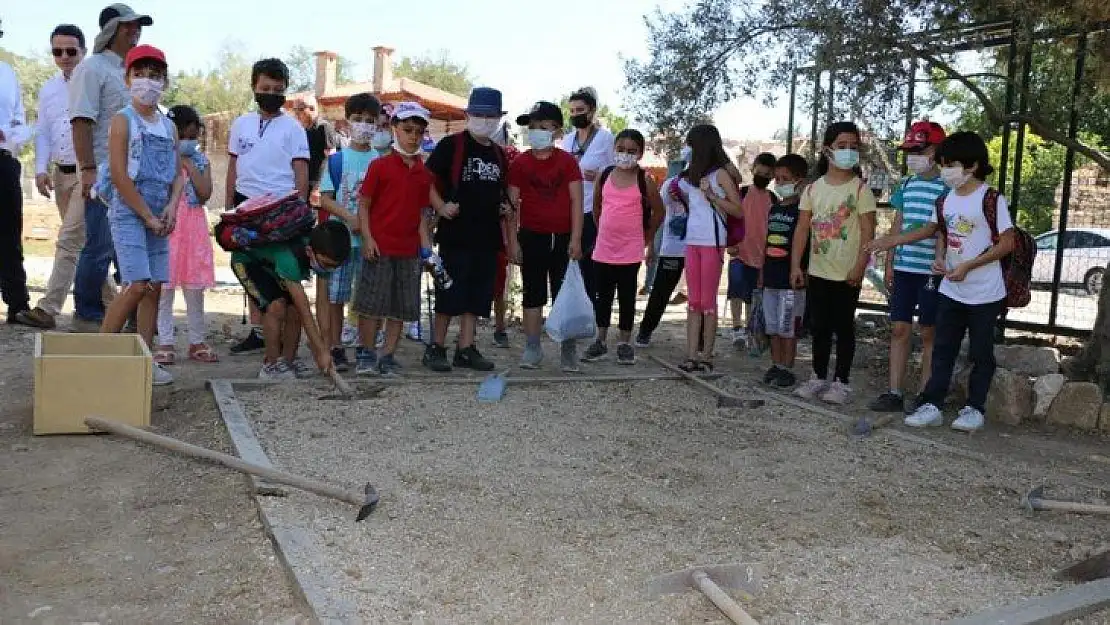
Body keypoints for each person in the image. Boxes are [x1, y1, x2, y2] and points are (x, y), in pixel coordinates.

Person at [867, 132, 1015, 433]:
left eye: (951, 164)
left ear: (972, 166)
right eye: (944, 163)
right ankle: (931, 403)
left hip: (985, 292)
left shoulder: (992, 199)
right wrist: (925, 254)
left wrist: (969, 266)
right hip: (952, 288)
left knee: (980, 353)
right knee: (943, 348)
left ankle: (975, 408)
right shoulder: (944, 199)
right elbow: (936, 232)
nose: (945, 170)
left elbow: (1006, 243)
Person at [97, 44, 181, 387]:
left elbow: (177, 174)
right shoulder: (123, 120)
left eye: (155, 75)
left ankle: (144, 360)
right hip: (131, 211)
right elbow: (119, 175)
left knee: (156, 287)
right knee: (136, 284)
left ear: (164, 80)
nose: (148, 82)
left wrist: (171, 208)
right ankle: (99, 357)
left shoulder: (168, 125)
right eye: (141, 74)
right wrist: (146, 215)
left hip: (160, 213)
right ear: (128, 78)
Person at [71, 3, 151, 333]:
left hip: (137, 177)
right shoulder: (93, 69)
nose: (135, 31)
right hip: (104, 175)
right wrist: (88, 169)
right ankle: (88, 313)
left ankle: (134, 316)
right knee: (100, 245)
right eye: (127, 26)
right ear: (110, 30)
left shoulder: (136, 72)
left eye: (138, 27)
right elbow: (80, 121)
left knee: (131, 247)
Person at [225, 58, 311, 369]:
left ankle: (290, 359)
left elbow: (301, 171)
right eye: (265, 88)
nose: (271, 93)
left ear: (286, 91)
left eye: (277, 89)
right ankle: (270, 359)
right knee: (268, 294)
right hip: (246, 214)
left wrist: (299, 213)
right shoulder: (240, 125)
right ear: (254, 87)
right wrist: (228, 211)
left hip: (283, 216)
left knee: (291, 295)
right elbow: (233, 168)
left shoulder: (294, 129)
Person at [18, 25, 104, 329]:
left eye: (71, 50)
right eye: (58, 51)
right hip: (60, 173)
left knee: (69, 239)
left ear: (83, 51)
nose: (64, 56)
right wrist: (41, 169)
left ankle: (48, 308)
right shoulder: (48, 89)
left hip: (87, 171)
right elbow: (43, 131)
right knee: (83, 245)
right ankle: (114, 302)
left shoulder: (94, 82)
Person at [790, 121, 877, 405]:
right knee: (819, 326)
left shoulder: (860, 190)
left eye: (854, 146)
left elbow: (868, 231)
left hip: (846, 273)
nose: (848, 151)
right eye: (842, 146)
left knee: (844, 327)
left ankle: (841, 381)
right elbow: (802, 229)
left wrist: (860, 265)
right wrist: (795, 266)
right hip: (818, 270)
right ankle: (817, 376)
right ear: (828, 150)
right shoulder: (812, 189)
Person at [422, 87, 509, 373]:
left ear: (498, 118)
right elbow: (428, 181)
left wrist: (504, 207)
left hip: (486, 235)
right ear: (468, 115)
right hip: (456, 234)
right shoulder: (452, 145)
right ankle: (436, 347)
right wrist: (441, 206)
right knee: (449, 292)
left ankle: (466, 347)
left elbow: (500, 190)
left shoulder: (499, 153)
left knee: (477, 295)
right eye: (478, 114)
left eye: (490, 115)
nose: (484, 120)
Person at [868, 121, 948, 413]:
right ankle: (894, 391)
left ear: (936, 151)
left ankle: (926, 393)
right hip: (904, 268)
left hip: (930, 270)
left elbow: (936, 229)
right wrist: (890, 262)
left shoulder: (947, 187)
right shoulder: (907, 184)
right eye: (909, 150)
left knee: (928, 331)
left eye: (920, 150)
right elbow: (897, 222)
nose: (913, 156)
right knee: (899, 328)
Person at [352, 102, 436, 377]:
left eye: (419, 132)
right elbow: (364, 204)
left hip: (408, 249)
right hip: (380, 245)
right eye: (408, 129)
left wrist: (426, 248)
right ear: (394, 129)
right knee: (371, 304)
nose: (413, 136)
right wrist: (367, 238)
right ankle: (365, 351)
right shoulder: (380, 166)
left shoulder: (424, 174)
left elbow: (422, 213)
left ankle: (387, 354)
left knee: (401, 305)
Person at [509, 101, 584, 372]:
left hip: (563, 236)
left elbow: (577, 200)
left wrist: (576, 238)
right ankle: (532, 347)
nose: (536, 132)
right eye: (532, 128)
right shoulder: (520, 163)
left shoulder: (567, 162)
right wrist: (512, 240)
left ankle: (568, 349)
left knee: (565, 294)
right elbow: (511, 205)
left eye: (542, 127)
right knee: (532, 293)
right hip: (532, 235)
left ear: (556, 130)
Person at [581, 129, 663, 365]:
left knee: (627, 297)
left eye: (631, 151)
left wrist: (647, 237)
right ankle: (601, 340)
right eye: (621, 150)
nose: (625, 155)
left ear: (640, 153)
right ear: (613, 149)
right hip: (604, 248)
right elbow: (597, 207)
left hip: (630, 251)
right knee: (602, 295)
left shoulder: (644, 180)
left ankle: (625, 343)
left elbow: (659, 211)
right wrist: (603, 229)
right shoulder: (604, 175)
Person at [230, 221, 346, 379]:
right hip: (248, 262)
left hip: (272, 264)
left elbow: (322, 305)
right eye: (326, 264)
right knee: (276, 306)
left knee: (294, 311)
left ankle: (286, 363)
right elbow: (306, 311)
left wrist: (325, 349)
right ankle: (270, 365)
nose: (328, 269)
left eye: (333, 266)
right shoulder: (290, 258)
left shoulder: (323, 256)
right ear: (310, 251)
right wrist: (319, 352)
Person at [318, 92, 383, 373]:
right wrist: (349, 217)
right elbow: (325, 197)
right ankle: (335, 346)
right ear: (347, 121)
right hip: (340, 242)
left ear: (378, 124)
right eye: (358, 119)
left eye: (370, 121)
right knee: (336, 297)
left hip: (369, 242)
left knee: (366, 297)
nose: (364, 125)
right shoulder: (337, 160)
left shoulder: (380, 161)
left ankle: (364, 346)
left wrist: (367, 226)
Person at [674, 125, 744, 372]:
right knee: (693, 301)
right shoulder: (689, 175)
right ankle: (691, 354)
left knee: (707, 302)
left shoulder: (719, 175)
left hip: (713, 242)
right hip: (692, 241)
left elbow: (738, 209)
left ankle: (707, 355)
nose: (688, 150)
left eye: (691, 145)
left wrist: (713, 195)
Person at [155, 104, 216, 365]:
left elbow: (204, 194)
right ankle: (165, 341)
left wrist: (189, 166)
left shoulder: (201, 161)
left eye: (193, 137)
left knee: (194, 288)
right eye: (184, 136)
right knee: (164, 289)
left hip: (193, 230)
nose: (189, 142)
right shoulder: (158, 158)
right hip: (167, 228)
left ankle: (197, 340)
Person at [561, 87, 615, 306]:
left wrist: (600, 176)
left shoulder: (605, 138)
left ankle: (592, 312)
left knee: (590, 266)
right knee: (568, 263)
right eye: (572, 111)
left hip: (593, 210)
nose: (576, 114)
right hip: (568, 210)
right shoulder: (567, 140)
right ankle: (570, 309)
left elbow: (615, 173)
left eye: (580, 110)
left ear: (592, 111)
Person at [760, 154, 810, 388]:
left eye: (785, 179)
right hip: (771, 277)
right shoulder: (773, 209)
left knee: (788, 326)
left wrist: (800, 270)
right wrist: (762, 272)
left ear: (799, 181)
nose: (780, 183)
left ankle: (787, 367)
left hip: (791, 281)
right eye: (777, 179)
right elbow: (767, 242)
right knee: (772, 326)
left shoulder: (803, 212)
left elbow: (805, 244)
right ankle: (776, 364)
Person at [635, 154, 691, 348]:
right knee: (661, 291)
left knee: (698, 297)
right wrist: (652, 246)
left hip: (699, 247)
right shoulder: (671, 185)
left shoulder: (711, 185)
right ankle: (645, 331)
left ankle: (700, 340)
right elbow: (659, 216)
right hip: (673, 248)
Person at [0, 24, 33, 325]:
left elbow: (20, 123)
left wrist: (8, 134)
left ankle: (17, 304)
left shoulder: (7, 74)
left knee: (9, 235)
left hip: (3, 160)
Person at [727, 152, 777, 349]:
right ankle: (737, 328)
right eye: (760, 172)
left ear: (772, 177)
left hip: (762, 256)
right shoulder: (742, 193)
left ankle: (751, 328)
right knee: (737, 291)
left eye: (767, 174)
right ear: (752, 169)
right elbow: (730, 218)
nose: (762, 177)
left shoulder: (773, 198)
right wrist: (730, 243)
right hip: (739, 252)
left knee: (753, 295)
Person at [490, 121, 521, 349]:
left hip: (499, 230)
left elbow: (514, 203)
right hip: (478, 228)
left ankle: (500, 327)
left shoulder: (509, 159)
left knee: (499, 284)